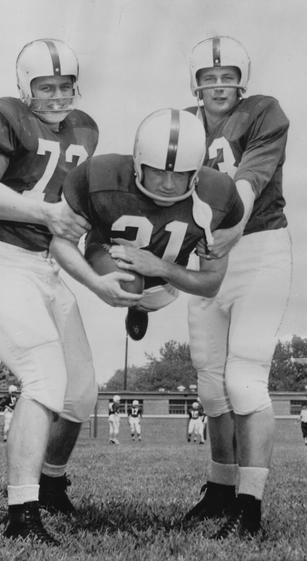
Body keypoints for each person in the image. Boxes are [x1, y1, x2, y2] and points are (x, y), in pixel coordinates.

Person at [0, 38, 99, 543]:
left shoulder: (85, 130)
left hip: (44, 265)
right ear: (25, 88)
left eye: (65, 86)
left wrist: (102, 280)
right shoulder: (3, 114)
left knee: (81, 392)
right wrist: (44, 213)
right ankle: (22, 512)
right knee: (44, 379)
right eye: (46, 87)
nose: (57, 96)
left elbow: (67, 226)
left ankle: (53, 485)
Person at [183, 36, 292, 539]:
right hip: (207, 255)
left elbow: (249, 179)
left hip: (258, 248)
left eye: (227, 77)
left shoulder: (264, 112)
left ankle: (250, 506)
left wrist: (228, 228)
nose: (218, 85)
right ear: (196, 83)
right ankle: (220, 490)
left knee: (243, 380)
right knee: (209, 384)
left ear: (241, 80)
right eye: (210, 77)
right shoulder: (181, 124)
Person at [50, 109, 244, 347]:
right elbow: (59, 242)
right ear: (138, 163)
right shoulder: (99, 175)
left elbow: (211, 284)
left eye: (180, 174)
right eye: (158, 172)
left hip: (167, 285)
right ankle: (134, 299)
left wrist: (159, 267)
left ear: (195, 173)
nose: (168, 185)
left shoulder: (219, 193)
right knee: (129, 286)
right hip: (110, 253)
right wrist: (94, 282)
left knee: (153, 299)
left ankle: (140, 309)